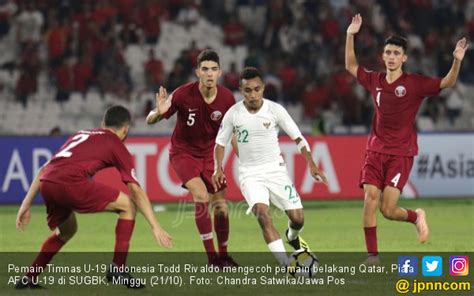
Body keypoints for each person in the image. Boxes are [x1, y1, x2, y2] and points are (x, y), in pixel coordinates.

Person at [345, 14, 469, 263]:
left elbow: (447, 82)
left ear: (404, 58)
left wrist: (456, 61)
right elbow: (350, 65)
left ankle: (415, 216)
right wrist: (350, 35)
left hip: (401, 153)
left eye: (396, 53)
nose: (391, 57)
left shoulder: (415, 84)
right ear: (383, 56)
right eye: (387, 52)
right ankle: (373, 256)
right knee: (370, 198)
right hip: (375, 151)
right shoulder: (375, 80)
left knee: (388, 210)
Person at [16, 105, 172, 289]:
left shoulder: (80, 134)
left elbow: (44, 169)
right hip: (70, 182)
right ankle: (118, 268)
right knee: (129, 206)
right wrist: (155, 226)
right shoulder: (116, 144)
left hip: (48, 183)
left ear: (102, 123)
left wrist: (24, 205)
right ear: (125, 129)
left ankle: (29, 277)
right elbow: (135, 190)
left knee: (67, 230)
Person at [212, 67, 328, 267]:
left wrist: (312, 164)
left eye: (257, 89)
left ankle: (292, 236)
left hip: (276, 171)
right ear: (241, 90)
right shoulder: (233, 114)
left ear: (263, 88)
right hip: (250, 175)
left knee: (298, 218)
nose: (253, 94)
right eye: (248, 90)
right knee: (263, 215)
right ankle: (286, 264)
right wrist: (218, 168)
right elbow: (220, 144)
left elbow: (298, 138)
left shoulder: (275, 110)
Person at [146, 50, 237, 266]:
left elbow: (232, 132)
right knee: (201, 195)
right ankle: (212, 258)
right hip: (183, 153)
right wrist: (158, 113)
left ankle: (223, 256)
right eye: (205, 69)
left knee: (222, 208)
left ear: (220, 73)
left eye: (213, 69)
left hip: (210, 156)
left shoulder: (227, 98)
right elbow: (150, 119)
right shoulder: (183, 94)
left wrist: (246, 158)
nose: (209, 74)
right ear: (197, 72)